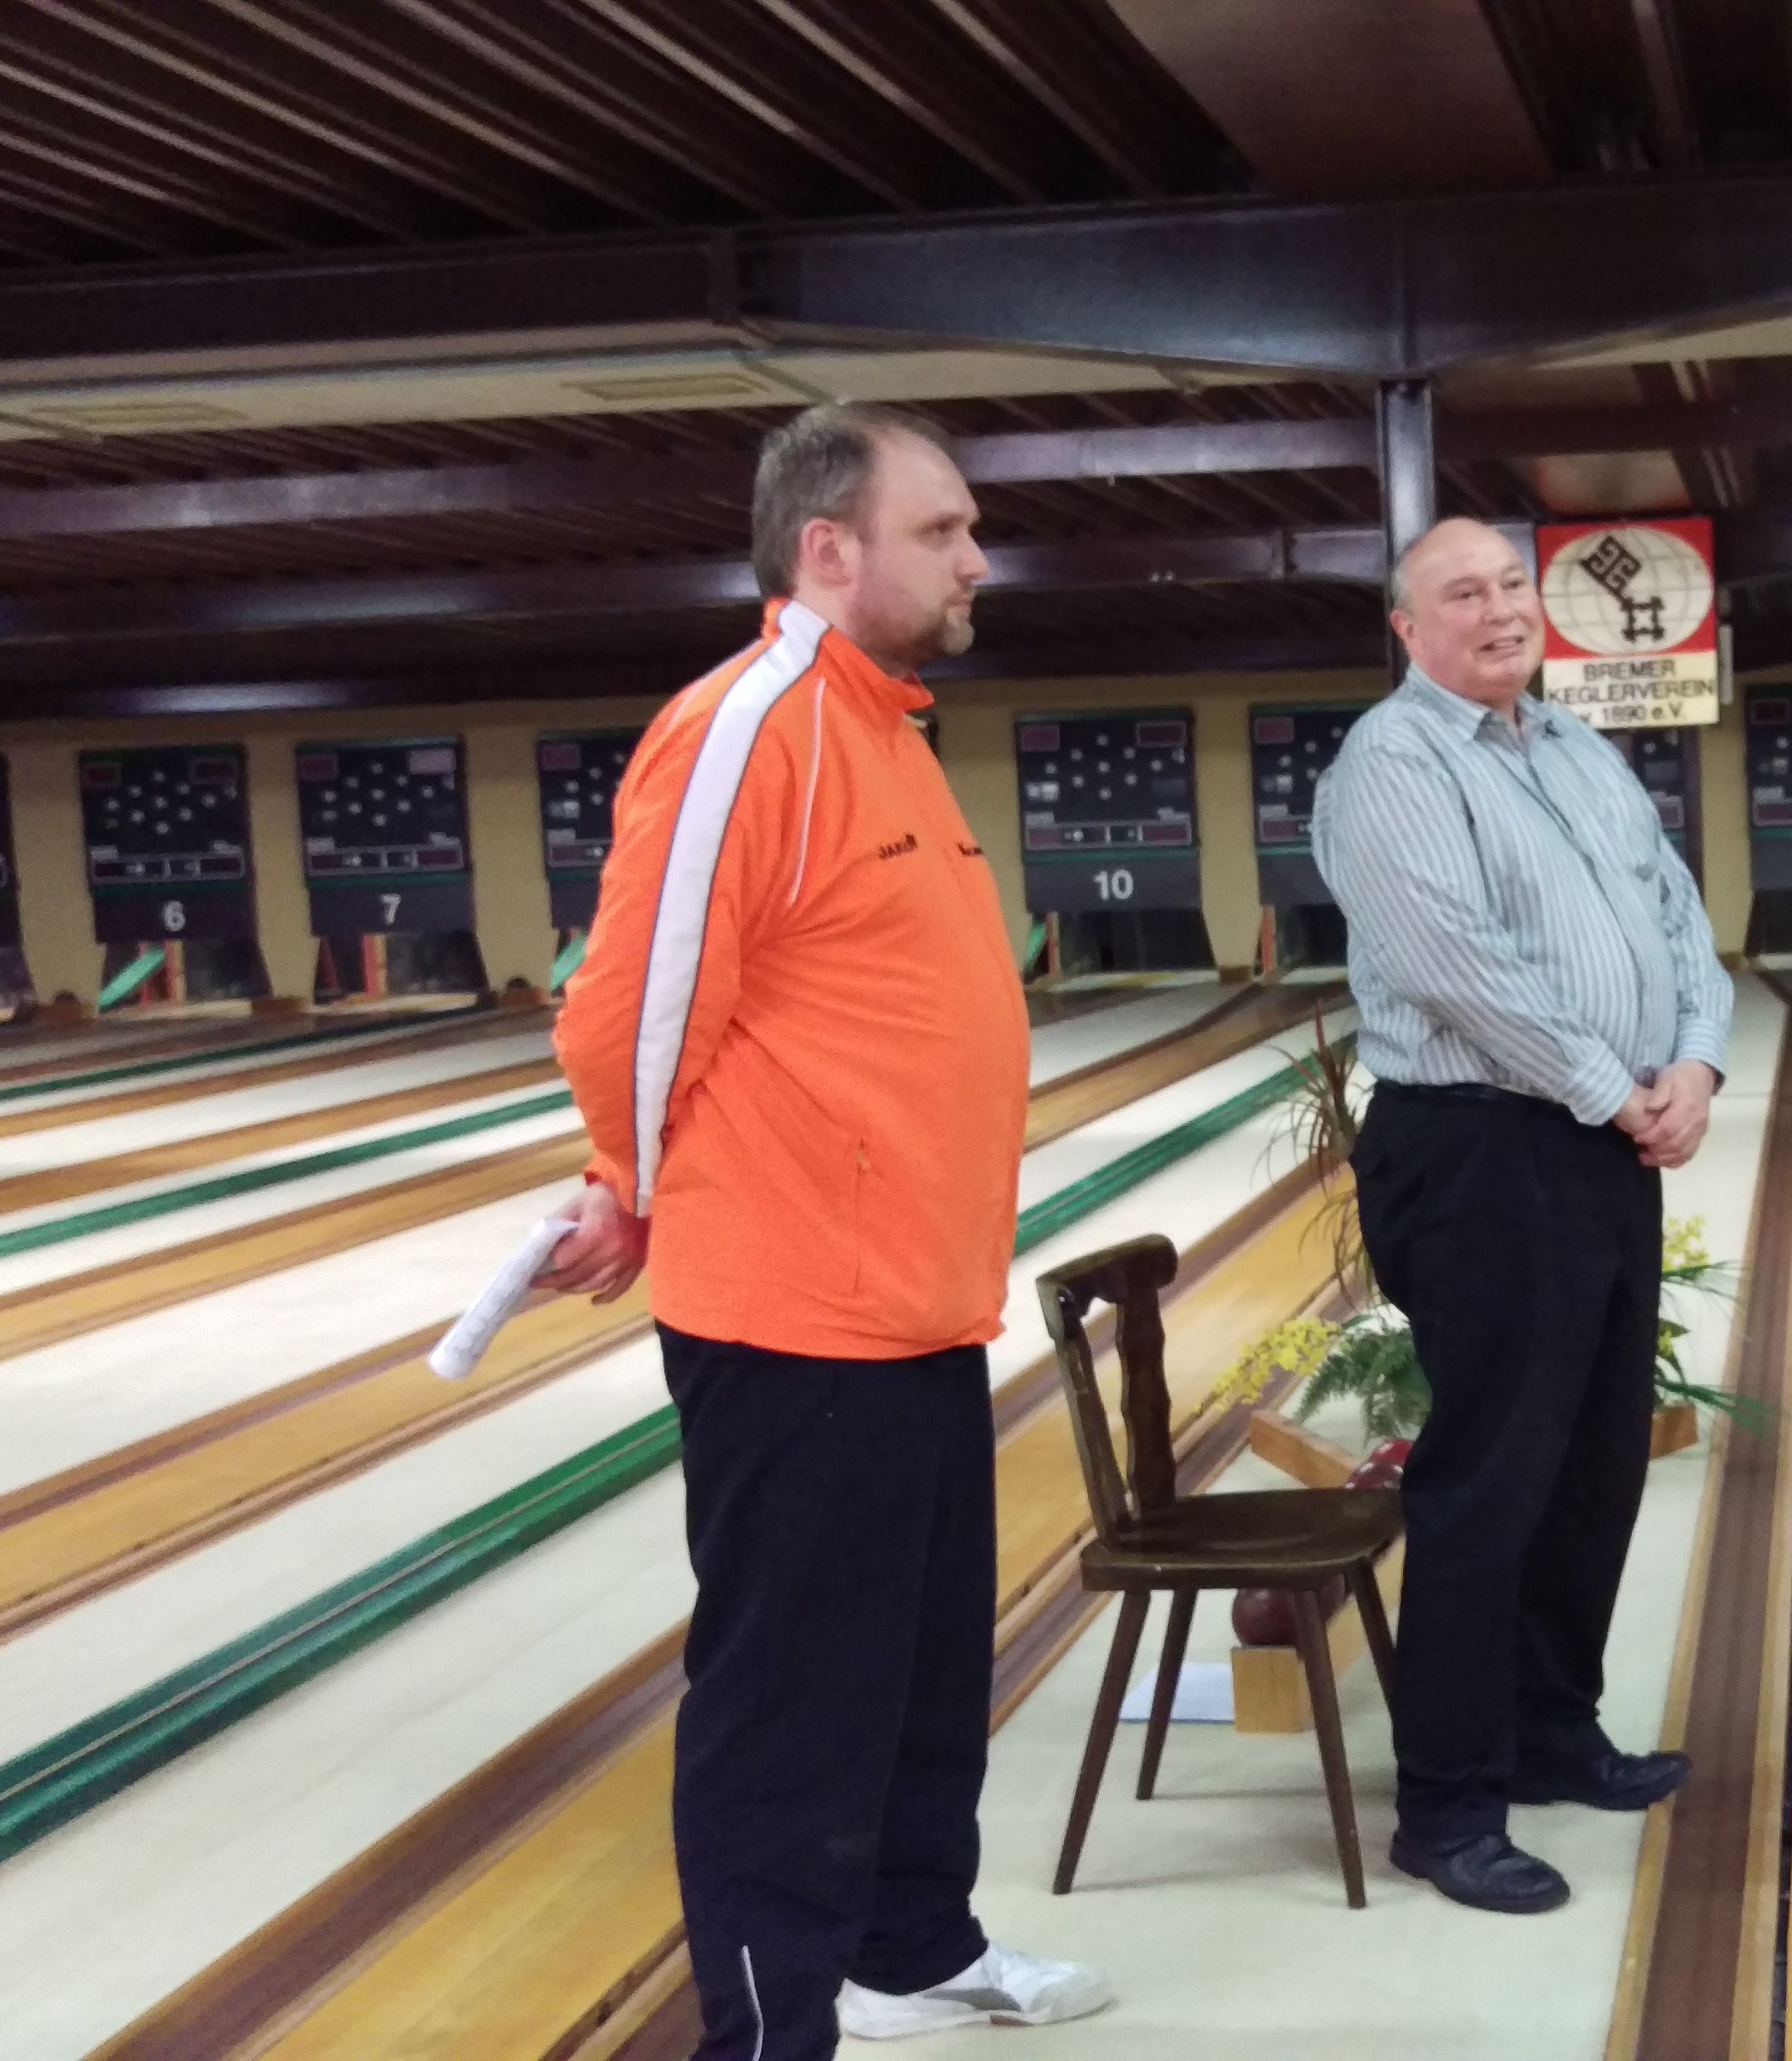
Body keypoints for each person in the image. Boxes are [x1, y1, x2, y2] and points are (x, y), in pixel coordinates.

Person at [542, 403, 1111, 2056]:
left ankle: (914, 1952)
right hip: (795, 1315)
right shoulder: (752, 724)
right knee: (792, 1714)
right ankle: (766, 2036)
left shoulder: (885, 730)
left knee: (923, 1680)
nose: (979, 559)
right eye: (944, 530)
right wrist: (629, 1178)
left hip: (916, 1304)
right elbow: (634, 1003)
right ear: (828, 548)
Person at [1310, 516, 1734, 1917]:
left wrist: (1696, 1063)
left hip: (1602, 1145)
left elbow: (1676, 914)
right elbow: (1459, 967)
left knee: (1594, 1463)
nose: (1498, 611)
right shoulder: (1392, 764)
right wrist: (1619, 1093)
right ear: (1407, 628)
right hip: (1481, 1149)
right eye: (1461, 594)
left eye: (1510, 585)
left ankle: (1553, 1729)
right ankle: (1447, 1805)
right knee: (1491, 1478)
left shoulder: (1574, 748)